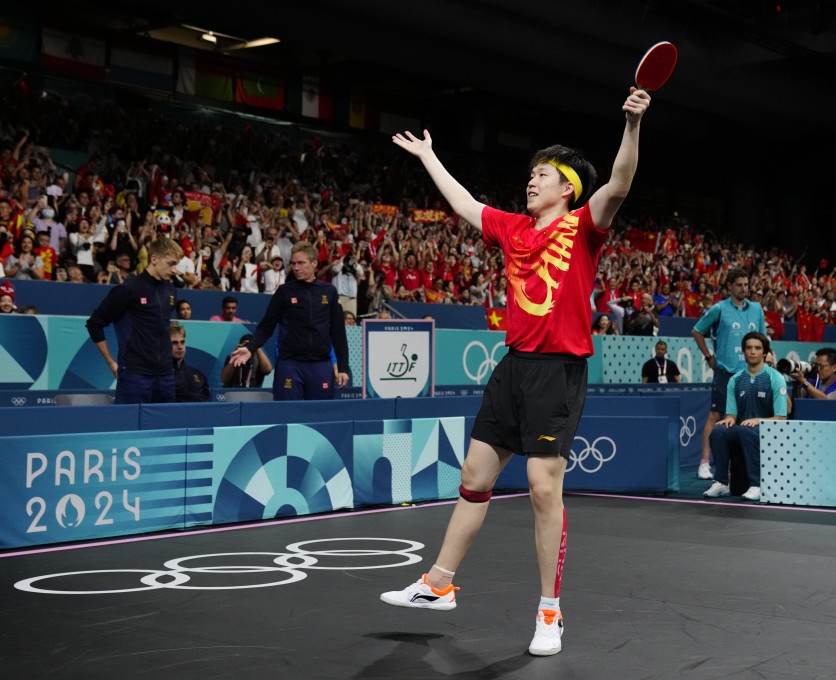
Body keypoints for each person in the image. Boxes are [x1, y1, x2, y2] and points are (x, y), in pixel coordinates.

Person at [379, 86, 651, 658]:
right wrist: (429, 156)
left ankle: (550, 611)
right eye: (530, 174)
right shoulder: (513, 229)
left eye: (542, 174)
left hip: (558, 370)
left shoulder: (585, 225)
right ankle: (438, 583)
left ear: (567, 187)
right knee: (474, 476)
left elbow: (620, 183)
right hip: (513, 368)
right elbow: (464, 203)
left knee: (542, 487)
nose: (531, 181)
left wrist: (631, 125)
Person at [229, 242, 350, 400]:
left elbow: (338, 333)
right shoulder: (284, 291)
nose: (296, 268)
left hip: (320, 365)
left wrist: (343, 367)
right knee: (287, 412)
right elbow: (266, 327)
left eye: (301, 263)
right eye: (293, 264)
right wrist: (250, 348)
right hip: (290, 365)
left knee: (320, 413)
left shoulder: (329, 292)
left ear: (314, 263)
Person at [85, 237, 183, 404]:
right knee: (129, 421)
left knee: (166, 421)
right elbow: (94, 323)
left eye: (176, 264)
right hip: (135, 374)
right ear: (154, 259)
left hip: (166, 374)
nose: (175, 270)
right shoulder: (128, 289)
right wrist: (110, 362)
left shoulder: (171, 290)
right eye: (171, 264)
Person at [691, 268, 765, 480]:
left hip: (750, 373)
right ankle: (704, 463)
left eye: (746, 285)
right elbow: (697, 331)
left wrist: (767, 359)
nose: (744, 289)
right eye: (739, 285)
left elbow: (762, 339)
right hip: (725, 372)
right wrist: (708, 356)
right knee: (716, 415)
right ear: (730, 286)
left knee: (746, 419)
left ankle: (741, 467)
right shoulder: (719, 308)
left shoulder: (757, 309)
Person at [703, 331, 788, 502]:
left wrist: (758, 421)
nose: (753, 352)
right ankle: (721, 482)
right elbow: (732, 414)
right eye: (749, 348)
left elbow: (781, 418)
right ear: (743, 352)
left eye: (757, 348)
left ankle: (756, 485)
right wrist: (730, 419)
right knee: (718, 431)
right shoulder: (735, 380)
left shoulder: (776, 378)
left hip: (767, 430)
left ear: (765, 352)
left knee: (745, 431)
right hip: (743, 429)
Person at [170, 323, 210, 402]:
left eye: (182, 342)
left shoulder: (198, 374)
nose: (180, 347)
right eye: (174, 343)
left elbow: (207, 401)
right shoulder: (161, 376)